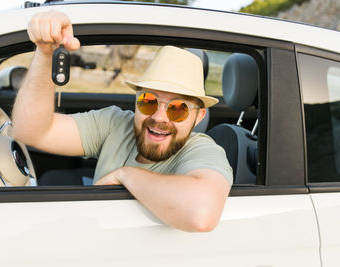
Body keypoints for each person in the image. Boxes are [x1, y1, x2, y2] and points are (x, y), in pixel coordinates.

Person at [12, 10, 233, 232]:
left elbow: (201, 214)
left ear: (199, 116)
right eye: (148, 101)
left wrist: (125, 174)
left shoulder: (203, 151)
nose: (158, 117)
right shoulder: (115, 124)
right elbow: (31, 131)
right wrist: (45, 53)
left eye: (178, 109)